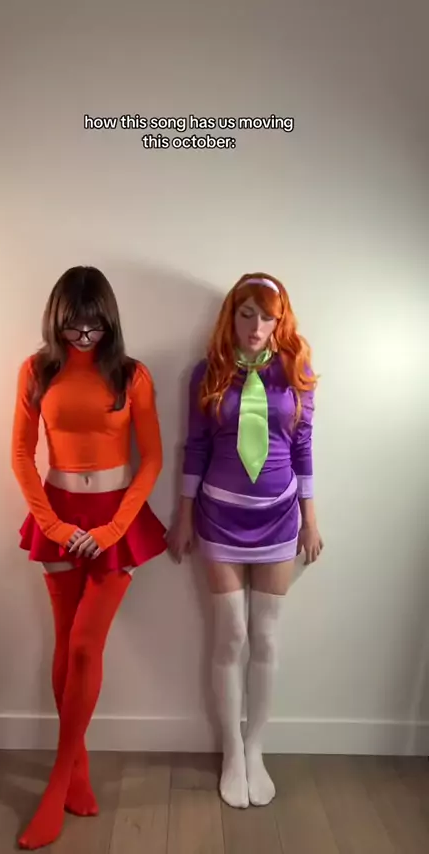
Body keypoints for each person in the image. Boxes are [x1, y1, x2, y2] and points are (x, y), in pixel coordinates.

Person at [11, 265, 166, 849]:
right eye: (73, 324)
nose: (83, 334)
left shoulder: (131, 375)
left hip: (114, 521)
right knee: (64, 644)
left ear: (109, 319)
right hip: (57, 515)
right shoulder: (36, 371)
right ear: (57, 318)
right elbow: (21, 455)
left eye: (94, 324)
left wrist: (113, 528)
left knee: (83, 646)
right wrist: (52, 524)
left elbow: (151, 459)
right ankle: (77, 767)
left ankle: (59, 779)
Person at [168, 272, 323, 810]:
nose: (256, 327)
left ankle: (256, 748)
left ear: (281, 322)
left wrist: (310, 519)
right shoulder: (206, 372)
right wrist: (183, 515)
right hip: (219, 518)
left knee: (267, 637)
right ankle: (231, 749)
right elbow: (195, 448)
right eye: (246, 314)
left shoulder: (296, 372)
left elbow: (303, 447)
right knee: (231, 635)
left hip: (279, 518)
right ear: (231, 316)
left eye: (267, 317)